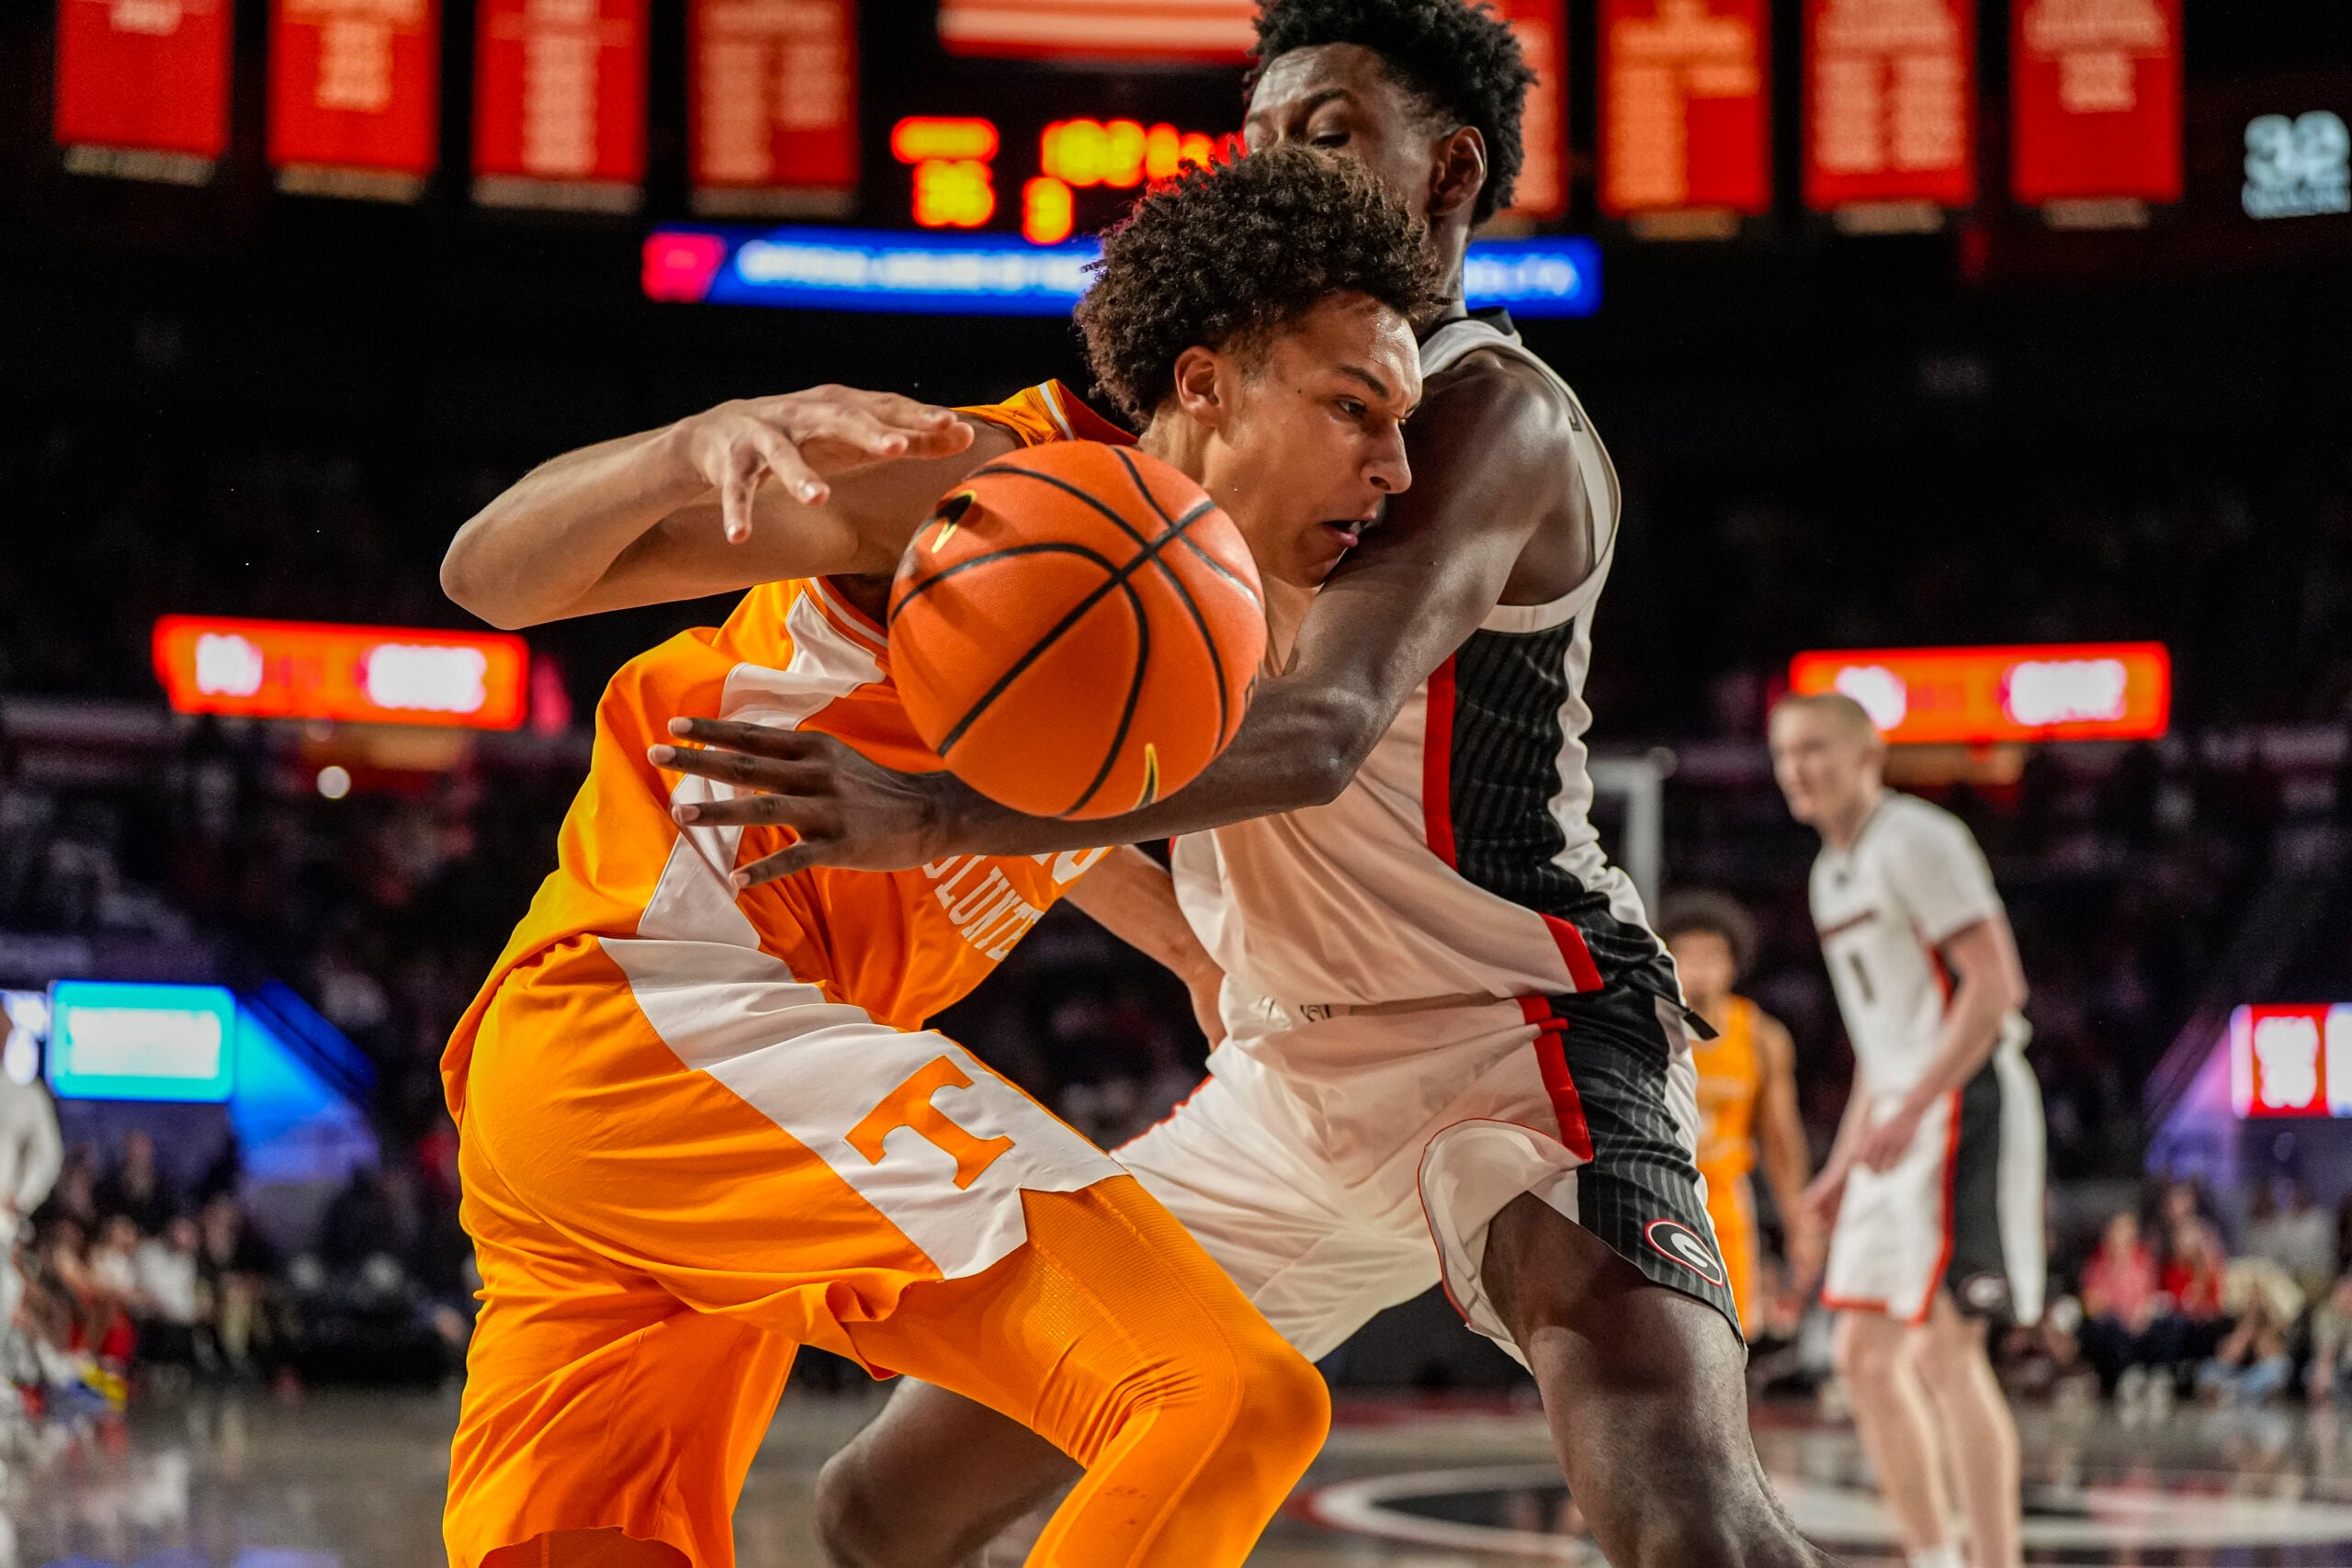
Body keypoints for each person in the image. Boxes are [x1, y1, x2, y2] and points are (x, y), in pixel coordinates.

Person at [662, 3, 1835, 1562]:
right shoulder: (1189, 431)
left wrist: (944, 813)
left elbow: (1316, 728)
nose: (1278, 158)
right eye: (1265, 130)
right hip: (1287, 1080)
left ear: (1451, 170)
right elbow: (1079, 714)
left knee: (1685, 1518)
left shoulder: (1491, 415)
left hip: (1515, 1033)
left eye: (1330, 128)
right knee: (883, 1507)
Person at [433, 146, 1437, 1568]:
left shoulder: (1197, 604)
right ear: (1205, 382)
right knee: (1221, 1398)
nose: (1394, 466)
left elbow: (1028, 795)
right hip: (662, 1016)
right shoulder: (987, 487)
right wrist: (696, 438)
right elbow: (486, 574)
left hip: (617, 1115)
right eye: (1355, 407)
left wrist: (1192, 950)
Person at [1770, 691, 2045, 1568]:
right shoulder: (1827, 875)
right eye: (1784, 754)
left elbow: (1998, 986)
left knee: (1945, 1349)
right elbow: (1875, 1043)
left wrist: (1919, 1104)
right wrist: (1844, 1160)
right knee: (1861, 1354)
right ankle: (1934, 1557)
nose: (1797, 770)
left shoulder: (1920, 840)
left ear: (1867, 756)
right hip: (1901, 1116)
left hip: (1966, 1101)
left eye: (1816, 749)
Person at [1657, 890, 1821, 1337]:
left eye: (1711, 956)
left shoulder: (1760, 1036)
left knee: (1730, 1333)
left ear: (1734, 965)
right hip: (1657, 1193)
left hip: (1725, 1197)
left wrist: (1798, 1223)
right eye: (1685, 955)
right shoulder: (1644, 1027)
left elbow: (1780, 1138)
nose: (1698, 969)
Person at [2075, 1211, 2177, 1404]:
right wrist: (2121, 1312)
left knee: (2168, 1323)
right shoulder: (2097, 1262)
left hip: (2140, 1322)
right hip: (2114, 1324)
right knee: (2109, 1328)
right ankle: (2124, 1375)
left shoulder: (2143, 1259)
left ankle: (2158, 1373)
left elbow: (2151, 1293)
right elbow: (2091, 1301)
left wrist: (2142, 1311)